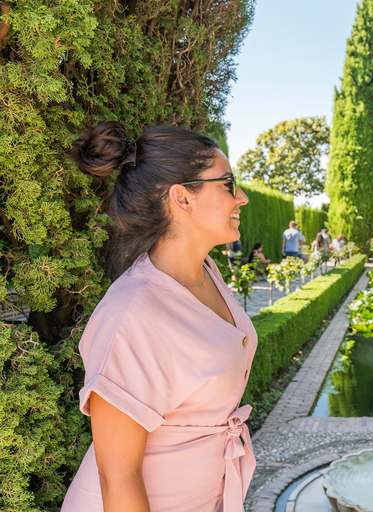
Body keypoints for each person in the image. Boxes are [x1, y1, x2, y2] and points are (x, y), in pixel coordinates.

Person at [62, 121, 257, 512]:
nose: (244, 197)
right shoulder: (133, 313)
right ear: (182, 198)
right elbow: (117, 478)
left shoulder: (206, 272)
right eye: (228, 183)